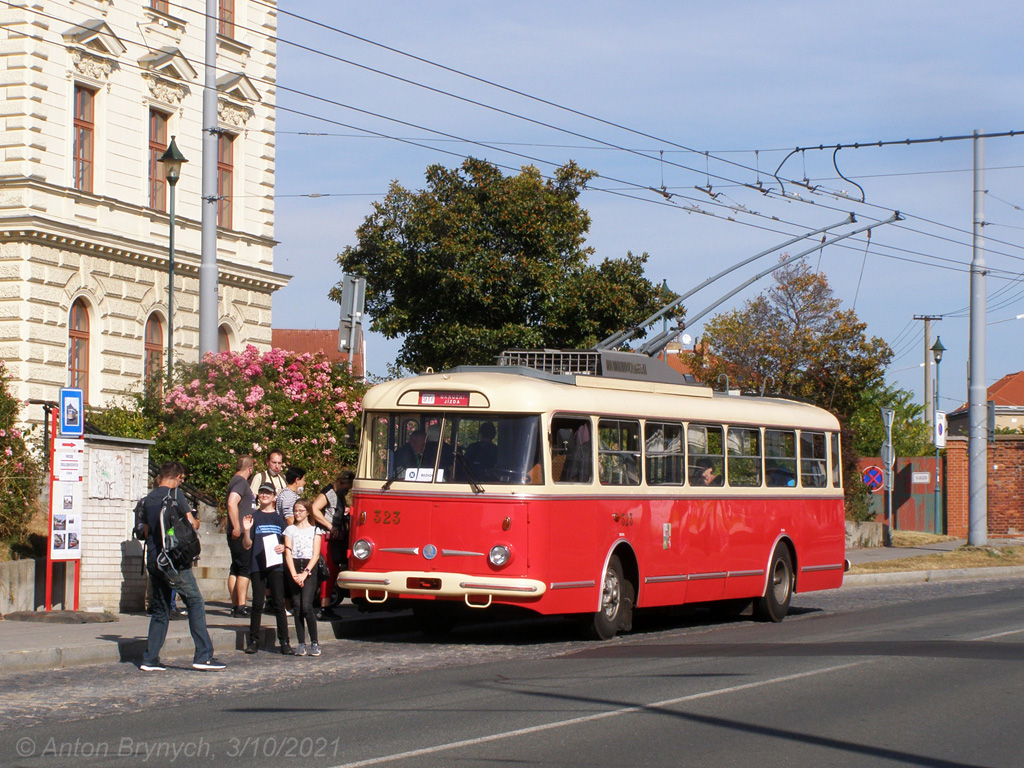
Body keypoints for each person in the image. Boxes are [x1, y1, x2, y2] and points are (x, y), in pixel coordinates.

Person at [140, 461, 225, 672]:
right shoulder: (175, 495)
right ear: (178, 477)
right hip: (174, 560)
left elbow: (145, 531)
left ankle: (150, 659)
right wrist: (196, 520)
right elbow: (191, 524)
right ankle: (203, 656)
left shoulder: (148, 499)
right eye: (182, 479)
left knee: (160, 609)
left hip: (154, 559)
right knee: (195, 602)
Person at [242, 483, 293, 655]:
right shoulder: (253, 516)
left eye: (268, 493)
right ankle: (253, 641)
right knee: (257, 603)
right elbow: (247, 545)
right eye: (262, 492)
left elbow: (287, 542)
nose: (264, 495)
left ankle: (284, 642)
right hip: (258, 565)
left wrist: (283, 547)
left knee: (278, 603)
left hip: (275, 565)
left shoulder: (279, 519)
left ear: (273, 497)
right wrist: (246, 531)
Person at [284, 498, 323, 656]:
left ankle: (314, 641)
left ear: (307, 512)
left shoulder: (315, 530)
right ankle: (301, 642)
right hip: (294, 566)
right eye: (295, 510)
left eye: (300, 510)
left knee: (306, 606)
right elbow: (288, 552)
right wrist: (294, 574)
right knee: (297, 606)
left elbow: (316, 554)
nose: (297, 513)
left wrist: (305, 573)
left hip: (309, 568)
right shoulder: (290, 530)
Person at [310, 471, 354, 613]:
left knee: (332, 570)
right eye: (347, 486)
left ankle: (325, 602)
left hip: (334, 538)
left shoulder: (339, 495)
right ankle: (324, 605)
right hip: (325, 536)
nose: (348, 490)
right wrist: (330, 526)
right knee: (328, 569)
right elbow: (314, 509)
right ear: (340, 482)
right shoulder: (328, 493)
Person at [226, 455, 255, 617]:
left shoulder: (234, 480)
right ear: (250, 469)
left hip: (237, 532)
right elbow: (232, 503)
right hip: (241, 532)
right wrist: (237, 526)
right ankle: (241, 606)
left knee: (236, 568)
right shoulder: (241, 482)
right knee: (244, 568)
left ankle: (235, 605)